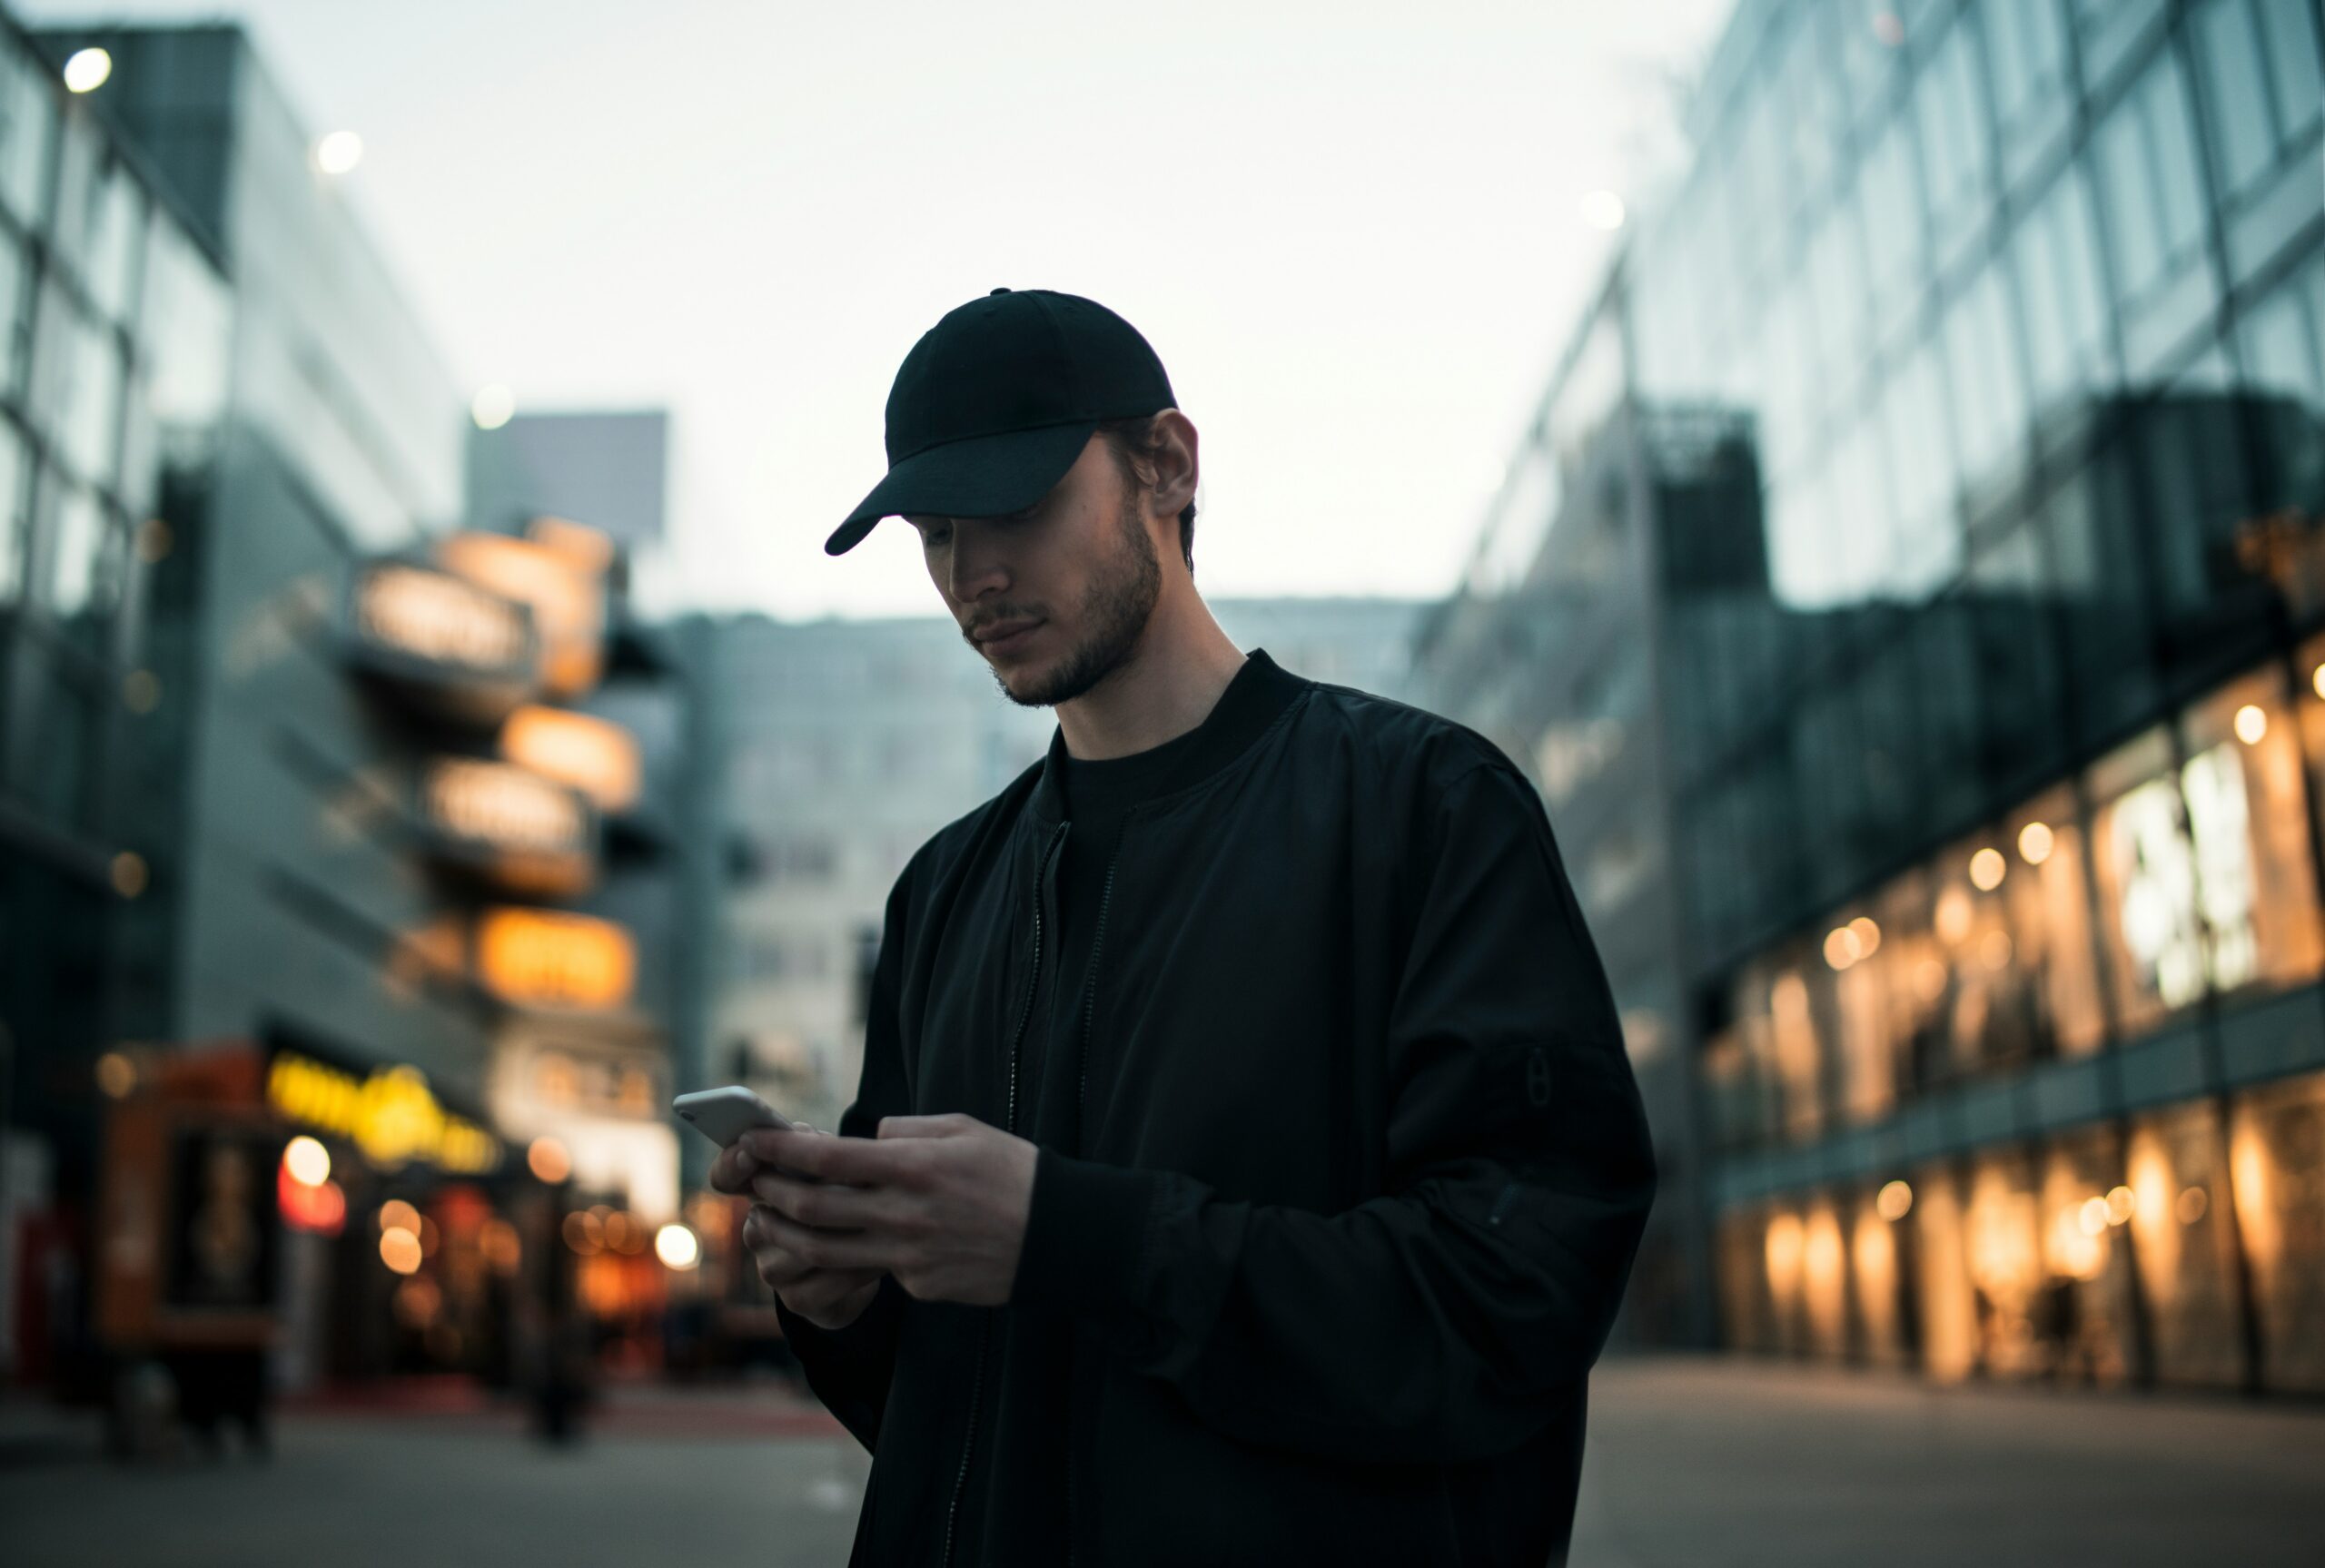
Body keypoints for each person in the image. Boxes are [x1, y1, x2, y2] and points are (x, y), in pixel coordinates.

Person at [708, 288, 1656, 1567]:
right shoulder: (945, 891)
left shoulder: (1424, 812)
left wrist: (1069, 1236)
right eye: (934, 531)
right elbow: (936, 1402)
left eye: (1018, 505)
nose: (971, 573)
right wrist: (838, 1299)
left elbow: (1510, 1307)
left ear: (1167, 463)